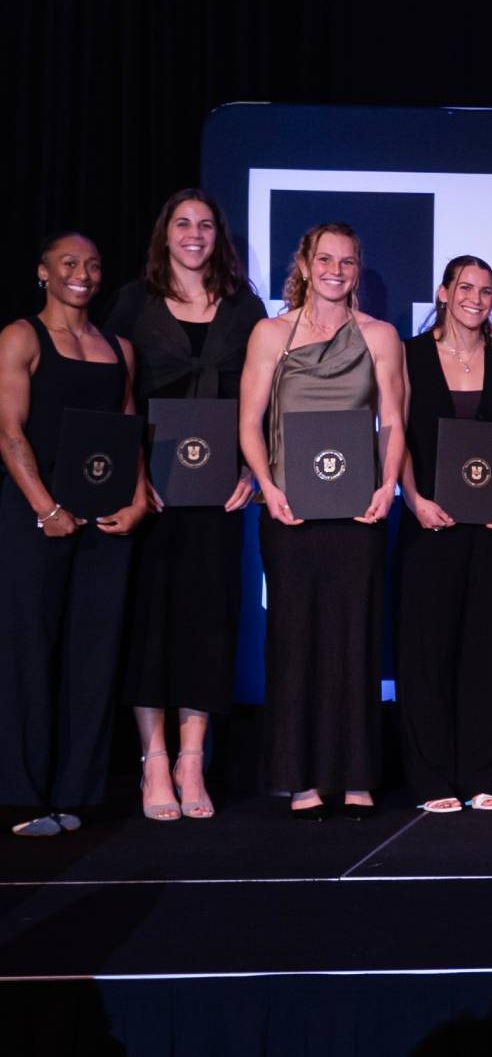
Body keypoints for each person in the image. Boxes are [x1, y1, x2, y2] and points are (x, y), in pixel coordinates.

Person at [239, 223, 404, 821]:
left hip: (359, 508)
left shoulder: (381, 337)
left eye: (349, 261)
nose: (337, 270)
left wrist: (388, 487)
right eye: (326, 259)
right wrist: (269, 485)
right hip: (290, 508)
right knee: (295, 639)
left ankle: (356, 773)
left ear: (358, 269)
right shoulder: (270, 334)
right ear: (305, 265)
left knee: (356, 637)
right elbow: (250, 421)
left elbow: (392, 421)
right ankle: (301, 776)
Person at [104, 190, 261, 821]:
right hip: (152, 488)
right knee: (151, 621)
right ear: (164, 234)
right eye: (182, 223)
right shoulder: (130, 303)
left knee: (209, 620)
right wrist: (132, 479)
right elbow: (110, 391)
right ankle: (155, 761)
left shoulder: (245, 306)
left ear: (219, 236)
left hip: (219, 491)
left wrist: (253, 466)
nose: (194, 234)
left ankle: (194, 758)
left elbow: (264, 397)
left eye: (205, 225)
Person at [0, 233, 146, 836]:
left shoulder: (120, 348)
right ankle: (25, 796)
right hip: (37, 517)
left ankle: (77, 794)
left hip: (106, 521)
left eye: (91, 264)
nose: (82, 273)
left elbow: (130, 427)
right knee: (30, 649)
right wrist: (45, 507)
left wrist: (139, 499)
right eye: (68, 263)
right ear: (43, 272)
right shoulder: (20, 337)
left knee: (93, 652)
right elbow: (9, 432)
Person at [396, 256, 492, 814]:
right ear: (444, 291)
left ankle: (483, 776)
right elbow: (396, 432)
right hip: (432, 521)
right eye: (466, 288)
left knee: (488, 648)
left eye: (486, 290)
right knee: (426, 652)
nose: (476, 299)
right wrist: (412, 498)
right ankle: (431, 779)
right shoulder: (409, 354)